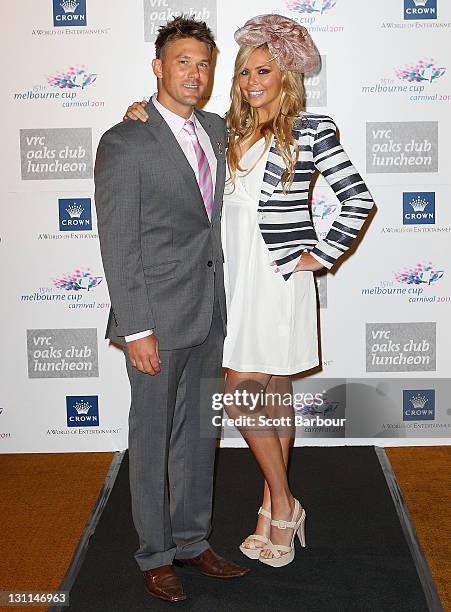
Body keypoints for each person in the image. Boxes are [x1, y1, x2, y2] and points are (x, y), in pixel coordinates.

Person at [124, 14, 374, 568]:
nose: (251, 81)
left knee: (244, 391)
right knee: (271, 395)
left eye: (264, 70)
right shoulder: (224, 132)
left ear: (287, 76)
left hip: (277, 282)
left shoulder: (311, 129)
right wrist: (138, 113)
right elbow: (172, 132)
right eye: (243, 72)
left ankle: (282, 504)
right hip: (231, 280)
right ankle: (272, 507)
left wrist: (320, 254)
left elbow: (357, 199)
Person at [94, 16, 249, 604]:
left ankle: (192, 540)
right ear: (158, 68)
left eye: (204, 63)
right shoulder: (125, 140)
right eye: (182, 61)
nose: (195, 72)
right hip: (155, 318)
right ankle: (154, 555)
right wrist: (135, 328)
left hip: (210, 311)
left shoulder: (214, 127)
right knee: (152, 436)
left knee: (199, 438)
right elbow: (118, 241)